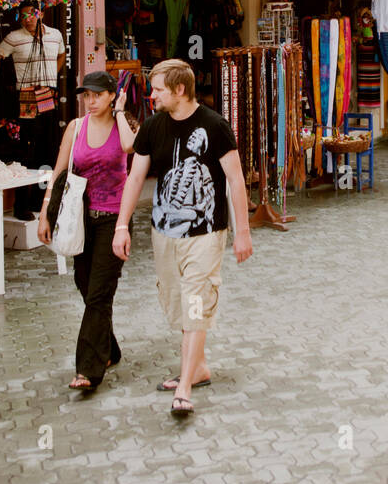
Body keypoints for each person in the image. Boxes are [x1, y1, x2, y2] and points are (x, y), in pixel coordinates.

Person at [112, 59, 253, 418]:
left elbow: (235, 180)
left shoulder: (215, 126)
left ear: (179, 90)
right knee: (176, 302)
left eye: (157, 89)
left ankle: (186, 387)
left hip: (205, 235)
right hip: (164, 235)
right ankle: (199, 367)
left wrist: (243, 233)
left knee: (195, 304)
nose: (151, 94)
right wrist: (121, 225)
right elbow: (135, 178)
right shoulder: (153, 127)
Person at [38, 72, 138, 392]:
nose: (91, 101)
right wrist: (44, 215)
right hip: (81, 217)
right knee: (85, 284)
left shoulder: (124, 126)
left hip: (114, 219)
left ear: (112, 95)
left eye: (97, 95)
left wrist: (121, 111)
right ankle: (110, 348)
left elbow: (129, 146)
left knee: (98, 292)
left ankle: (88, 370)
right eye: (87, 96)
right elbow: (58, 172)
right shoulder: (76, 127)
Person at [0, 0, 66, 216]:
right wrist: (6, 84)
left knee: (49, 148)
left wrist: (52, 75)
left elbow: (61, 54)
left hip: (48, 95)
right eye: (23, 15)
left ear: (40, 13)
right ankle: (21, 205)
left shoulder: (55, 35)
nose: (28, 19)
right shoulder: (14, 38)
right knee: (27, 151)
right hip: (25, 97)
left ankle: (39, 201)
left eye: (32, 14)